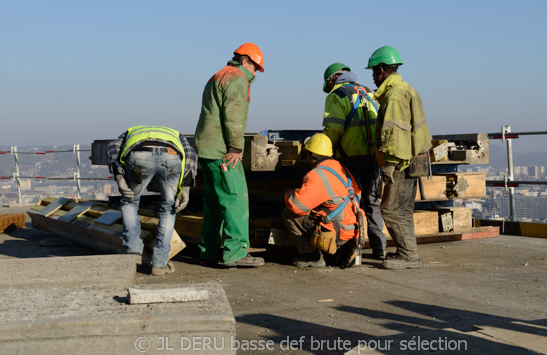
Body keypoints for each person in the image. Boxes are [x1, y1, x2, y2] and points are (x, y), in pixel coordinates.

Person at [193, 43, 265, 268]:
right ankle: (235, 252)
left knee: (214, 202)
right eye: (255, 68)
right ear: (245, 61)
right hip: (223, 151)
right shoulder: (236, 78)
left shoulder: (217, 75)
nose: (255, 73)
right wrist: (235, 148)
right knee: (235, 198)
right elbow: (233, 117)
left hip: (207, 149)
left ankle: (210, 250)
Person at [366, 46, 432, 270]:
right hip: (415, 158)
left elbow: (394, 135)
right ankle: (407, 251)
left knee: (391, 209)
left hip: (402, 162)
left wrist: (389, 165)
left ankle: (409, 256)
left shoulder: (394, 96)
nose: (374, 78)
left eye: (374, 73)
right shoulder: (407, 89)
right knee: (403, 209)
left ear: (382, 69)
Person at [106, 125, 198, 276]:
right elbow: (190, 153)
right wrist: (186, 188)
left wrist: (118, 175)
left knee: (130, 201)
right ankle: (159, 264)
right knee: (168, 208)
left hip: (140, 157)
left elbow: (112, 147)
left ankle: (134, 252)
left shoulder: (131, 132)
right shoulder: (175, 134)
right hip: (170, 156)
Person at [321, 62, 387, 260]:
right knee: (372, 202)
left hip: (349, 158)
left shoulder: (337, 95)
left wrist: (323, 152)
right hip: (373, 157)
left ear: (332, 79)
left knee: (352, 203)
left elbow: (333, 129)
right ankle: (379, 249)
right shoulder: (369, 91)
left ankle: (353, 249)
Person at [282, 133, 365, 268]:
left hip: (338, 232)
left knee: (289, 214)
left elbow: (297, 205)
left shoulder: (318, 174)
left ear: (309, 155)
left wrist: (289, 193)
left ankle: (311, 256)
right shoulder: (343, 169)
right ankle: (338, 252)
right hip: (353, 232)